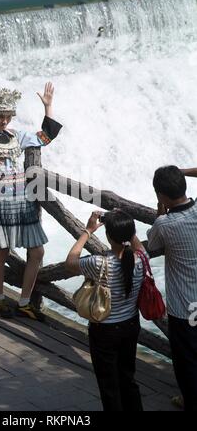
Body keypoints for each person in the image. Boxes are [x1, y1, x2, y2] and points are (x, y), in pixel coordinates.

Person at [0, 82, 62, 320]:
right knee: (2, 251)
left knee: (37, 251)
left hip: (23, 202)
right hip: (0, 203)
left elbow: (45, 137)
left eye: (7, 116)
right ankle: (0, 299)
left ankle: (24, 302)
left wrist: (48, 107)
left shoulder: (16, 136)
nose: (4, 120)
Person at [66, 209, 146, 411]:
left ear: (108, 236)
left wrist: (88, 230)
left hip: (105, 330)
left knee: (109, 385)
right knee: (128, 377)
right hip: (130, 325)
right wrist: (126, 228)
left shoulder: (98, 263)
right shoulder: (141, 259)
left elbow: (71, 262)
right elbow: (134, 245)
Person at [147, 165, 197, 412]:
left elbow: (153, 245)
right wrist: (181, 170)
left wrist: (159, 212)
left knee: (187, 361)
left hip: (185, 307)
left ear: (160, 195)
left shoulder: (164, 224)